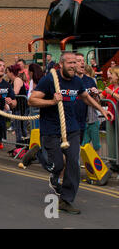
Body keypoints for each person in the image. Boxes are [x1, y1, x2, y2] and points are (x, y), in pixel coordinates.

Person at [28, 52, 113, 215]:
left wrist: (103, 110)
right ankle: (38, 155)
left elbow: (86, 97)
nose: (73, 66)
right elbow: (32, 100)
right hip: (52, 128)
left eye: (75, 62)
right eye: (70, 63)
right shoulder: (50, 80)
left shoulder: (76, 81)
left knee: (73, 163)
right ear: (61, 64)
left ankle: (66, 200)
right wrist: (52, 101)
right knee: (58, 165)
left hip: (72, 128)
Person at [75, 53, 98, 143]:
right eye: (79, 61)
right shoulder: (69, 80)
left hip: (85, 120)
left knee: (82, 146)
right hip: (71, 120)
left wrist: (95, 94)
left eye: (83, 61)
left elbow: (97, 102)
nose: (82, 63)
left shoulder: (90, 80)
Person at [100, 66, 119, 160]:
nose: (109, 76)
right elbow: (101, 96)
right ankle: (113, 161)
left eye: (111, 74)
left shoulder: (112, 89)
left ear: (117, 76)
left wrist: (111, 93)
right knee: (111, 140)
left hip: (118, 116)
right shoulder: (110, 86)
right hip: (110, 116)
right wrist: (95, 94)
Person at [6, 64, 28, 147]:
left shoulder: (17, 80)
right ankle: (19, 145)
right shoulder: (10, 81)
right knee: (17, 126)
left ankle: (22, 145)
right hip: (15, 107)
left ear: (12, 72)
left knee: (21, 127)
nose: (6, 74)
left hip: (21, 107)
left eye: (7, 72)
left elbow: (15, 92)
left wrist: (6, 94)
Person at [82, 64, 101, 152]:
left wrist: (95, 94)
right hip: (84, 119)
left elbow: (97, 100)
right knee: (84, 143)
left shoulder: (91, 80)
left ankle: (98, 163)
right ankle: (88, 161)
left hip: (93, 118)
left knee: (96, 145)